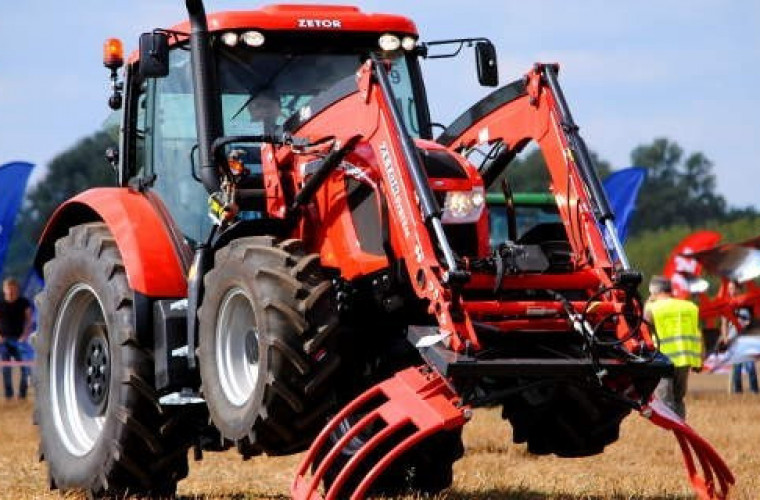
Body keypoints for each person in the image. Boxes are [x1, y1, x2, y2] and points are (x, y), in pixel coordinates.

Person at [644, 275, 703, 420]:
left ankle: (667, 434)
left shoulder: (653, 308)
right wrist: (700, 359)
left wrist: (648, 302)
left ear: (654, 292)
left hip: (663, 360)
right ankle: (681, 429)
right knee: (678, 399)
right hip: (684, 359)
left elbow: (643, 326)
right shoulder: (690, 307)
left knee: (663, 402)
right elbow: (698, 334)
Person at [718, 281, 759, 394]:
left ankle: (754, 391)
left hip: (747, 338)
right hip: (733, 339)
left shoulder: (747, 303)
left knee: (750, 366)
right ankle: (737, 392)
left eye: (733, 288)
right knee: (737, 367)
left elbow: (754, 320)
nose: (731, 291)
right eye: (729, 289)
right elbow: (724, 323)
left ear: (740, 289)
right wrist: (725, 337)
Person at [0, 277, 33, 400]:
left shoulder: (23, 303)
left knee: (24, 367)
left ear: (17, 289)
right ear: (4, 290)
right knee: (6, 369)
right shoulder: (1, 304)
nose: (10, 292)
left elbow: (29, 321)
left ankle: (22, 394)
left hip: (20, 341)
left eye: (13, 289)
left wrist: (24, 336)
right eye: (8, 289)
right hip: (4, 342)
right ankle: (9, 395)